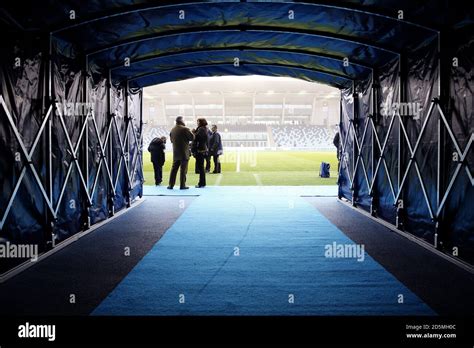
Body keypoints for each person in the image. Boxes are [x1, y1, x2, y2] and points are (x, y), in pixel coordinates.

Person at [168, 116, 194, 190]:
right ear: (181, 121)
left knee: (174, 170)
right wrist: (193, 132)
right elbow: (192, 138)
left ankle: (171, 185)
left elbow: (171, 140)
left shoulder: (172, 129)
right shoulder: (185, 129)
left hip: (176, 153)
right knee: (183, 170)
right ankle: (182, 185)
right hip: (184, 153)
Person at [191, 118, 209, 188]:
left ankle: (201, 183)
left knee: (201, 168)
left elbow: (198, 138)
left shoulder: (201, 129)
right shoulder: (204, 129)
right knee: (201, 168)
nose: (197, 123)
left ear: (201, 122)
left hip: (199, 150)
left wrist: (193, 133)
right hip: (201, 150)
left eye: (198, 122)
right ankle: (202, 183)